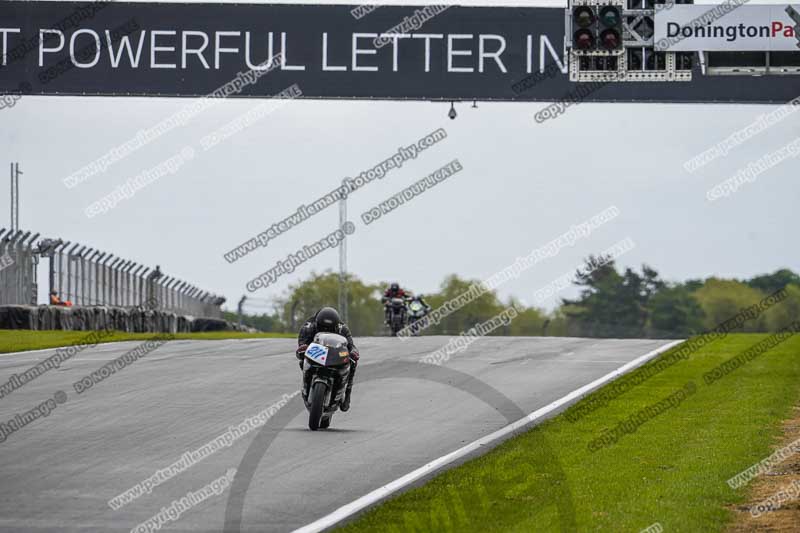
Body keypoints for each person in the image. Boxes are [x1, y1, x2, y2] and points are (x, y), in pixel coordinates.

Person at [295, 307, 360, 411]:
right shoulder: (308, 327)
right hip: (316, 354)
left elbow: (351, 345)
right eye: (323, 328)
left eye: (329, 329)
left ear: (335, 326)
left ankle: (347, 394)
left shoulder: (342, 328)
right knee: (302, 361)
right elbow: (302, 344)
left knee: (353, 363)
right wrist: (303, 348)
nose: (326, 331)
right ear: (317, 324)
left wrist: (353, 352)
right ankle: (307, 384)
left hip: (334, 354)